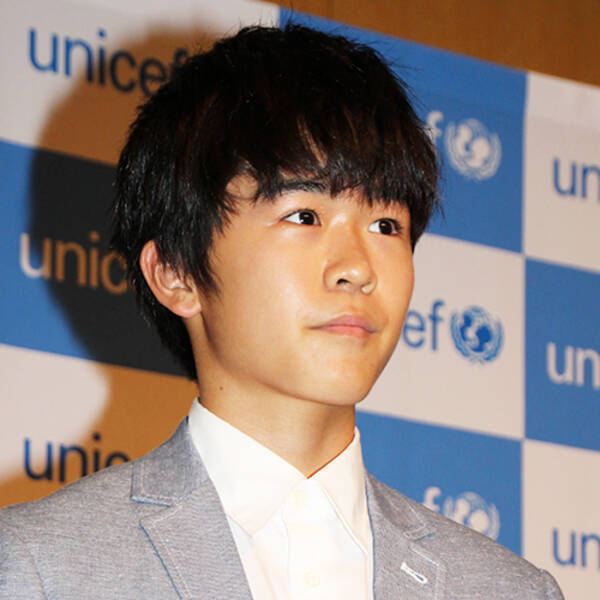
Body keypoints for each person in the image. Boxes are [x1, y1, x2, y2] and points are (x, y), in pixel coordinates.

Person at [0, 23, 563, 599]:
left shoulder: (510, 590)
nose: (358, 268)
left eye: (386, 225)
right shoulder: (38, 567)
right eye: (304, 216)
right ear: (176, 273)